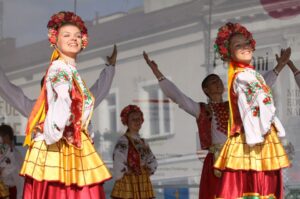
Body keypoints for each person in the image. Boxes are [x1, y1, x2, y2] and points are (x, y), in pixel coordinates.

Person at [142, 46, 290, 198]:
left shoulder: (235, 105)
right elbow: (179, 97)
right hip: (217, 160)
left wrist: (279, 67)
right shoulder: (202, 109)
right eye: (213, 82)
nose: (218, 83)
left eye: (219, 80)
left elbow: (257, 90)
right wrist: (157, 73)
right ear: (206, 89)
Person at [16, 11, 117, 199]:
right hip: (60, 145)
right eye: (67, 35)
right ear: (55, 40)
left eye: (78, 36)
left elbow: (85, 105)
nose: (74, 39)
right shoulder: (59, 67)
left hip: (73, 143)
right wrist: (55, 132)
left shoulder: (71, 71)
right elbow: (63, 99)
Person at [212, 22, 290, 199]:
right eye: (238, 45)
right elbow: (260, 102)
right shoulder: (243, 76)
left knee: (259, 186)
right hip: (253, 139)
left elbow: (262, 89)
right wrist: (266, 130)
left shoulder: (250, 74)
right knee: (253, 186)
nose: (245, 47)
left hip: (258, 136)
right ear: (229, 53)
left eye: (246, 43)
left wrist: (279, 67)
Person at [111, 105, 157, 199]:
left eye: (139, 119)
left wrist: (148, 169)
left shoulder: (143, 142)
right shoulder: (124, 141)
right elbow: (118, 160)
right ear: (127, 121)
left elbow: (151, 159)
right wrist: (126, 171)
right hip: (128, 182)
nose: (137, 121)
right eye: (133, 119)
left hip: (142, 181)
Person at [0, 124, 23, 199]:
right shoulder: (3, 153)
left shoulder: (16, 155)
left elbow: (20, 180)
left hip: (11, 192)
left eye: (1, 137)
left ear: (6, 137)